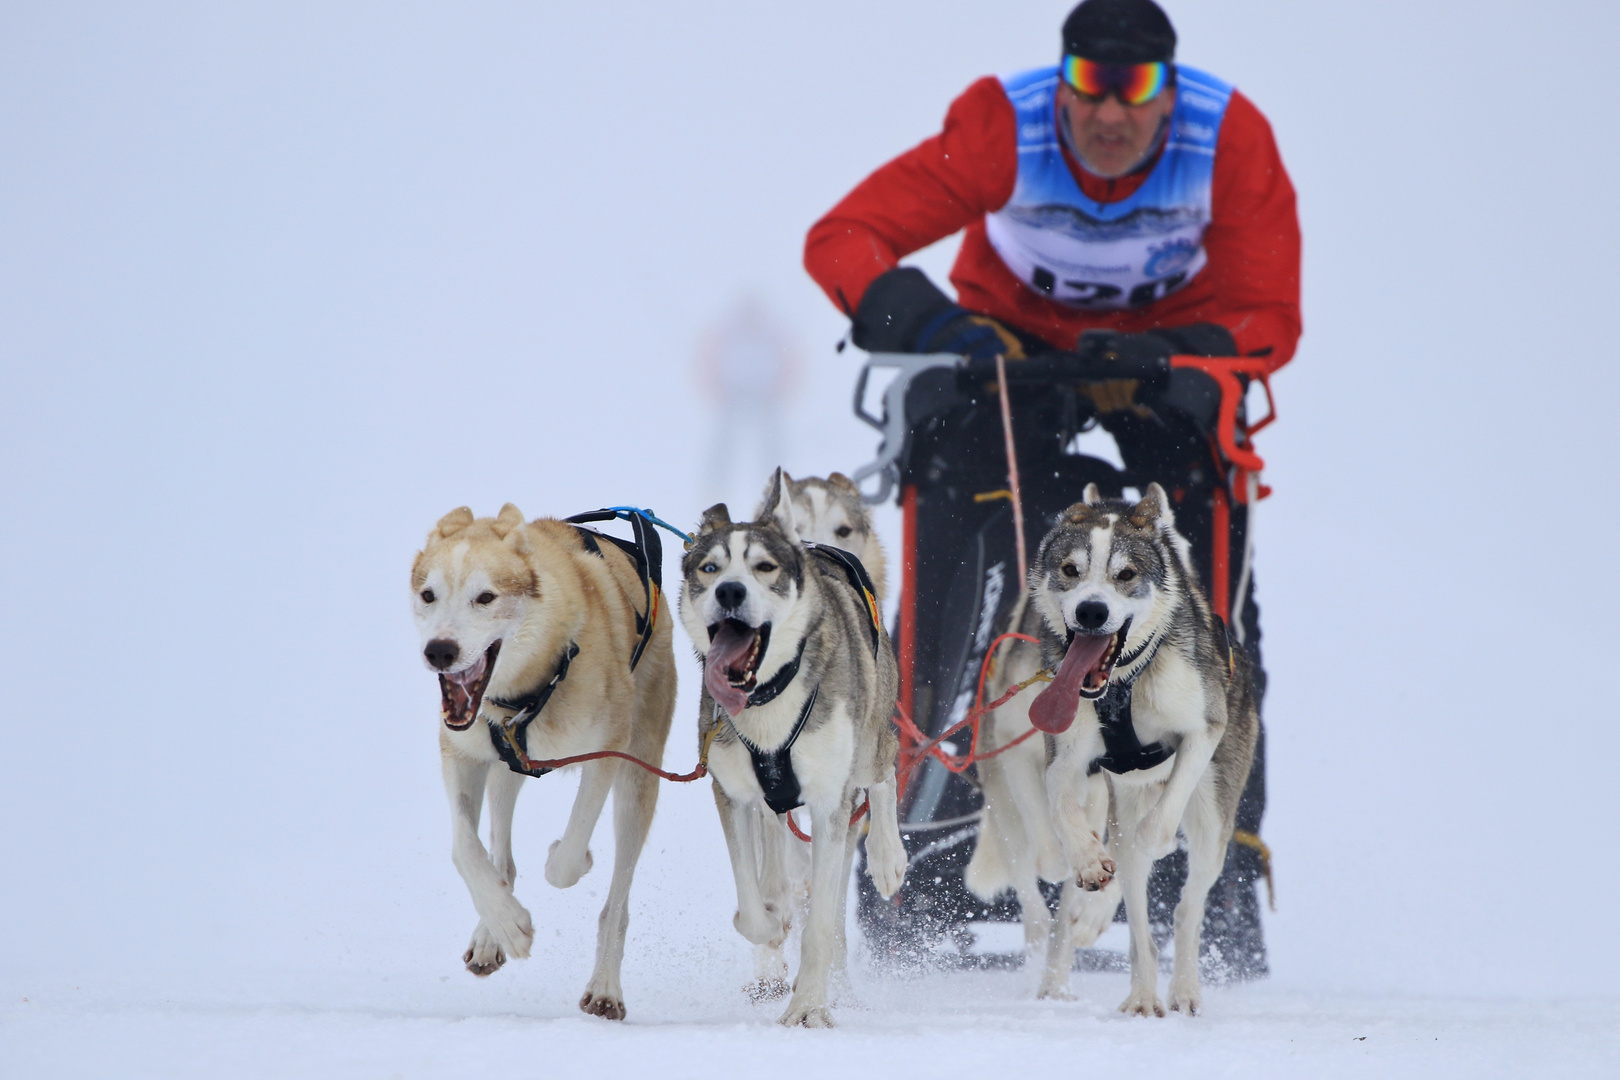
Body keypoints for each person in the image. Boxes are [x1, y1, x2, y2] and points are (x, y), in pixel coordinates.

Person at [805, 0, 1296, 976]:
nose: (1111, 115)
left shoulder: (1226, 136)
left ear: (1168, 92)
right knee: (957, 481)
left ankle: (1216, 856)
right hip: (1011, 347)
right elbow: (845, 239)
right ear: (1064, 82)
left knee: (1204, 523)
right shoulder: (1004, 123)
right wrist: (941, 331)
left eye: (1138, 90)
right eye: (1091, 89)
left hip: (1163, 352)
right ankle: (925, 823)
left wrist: (1173, 355)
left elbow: (1267, 312)